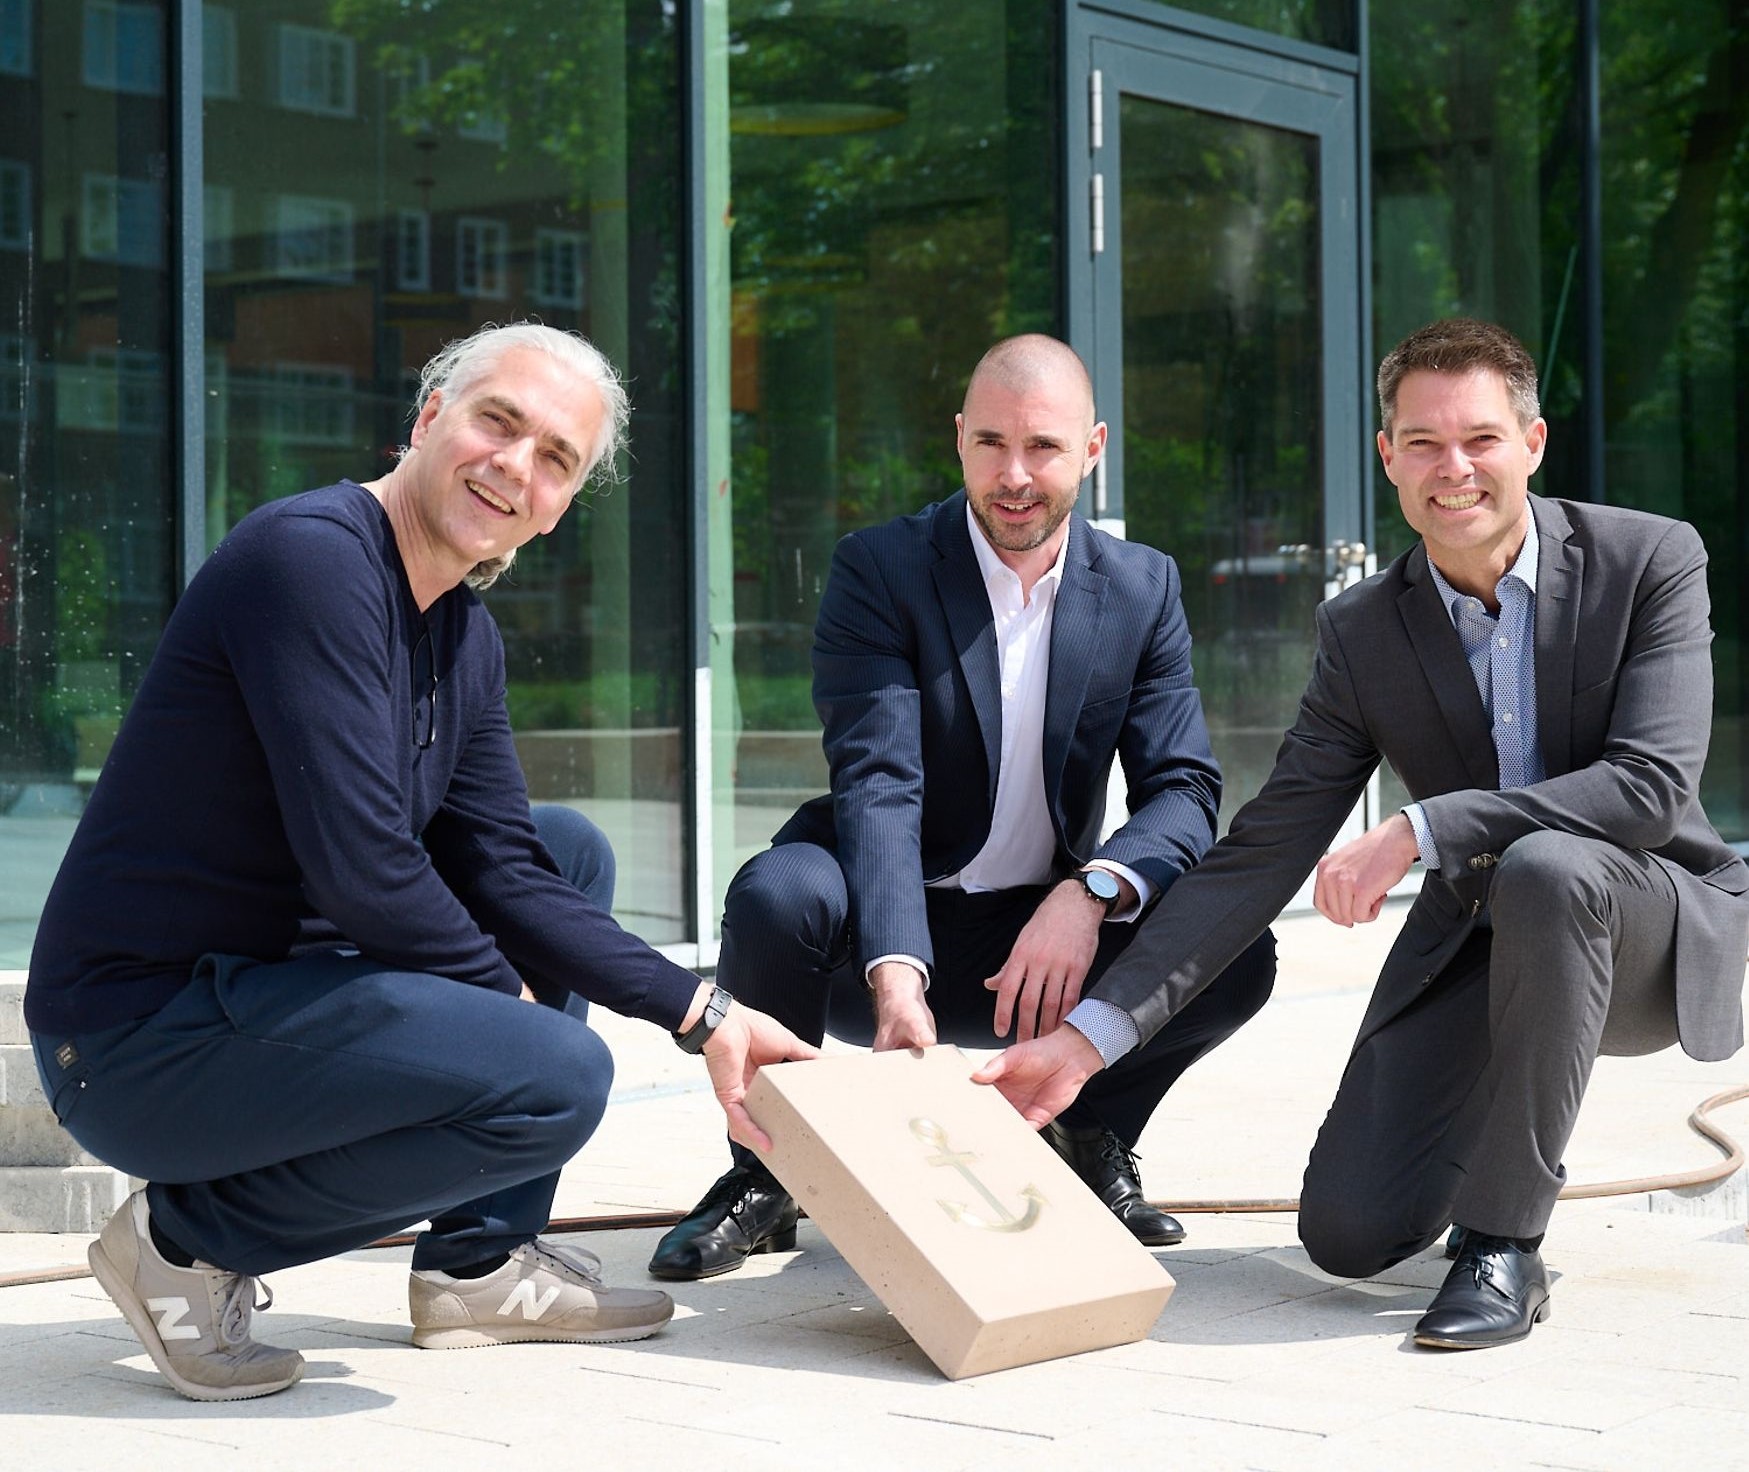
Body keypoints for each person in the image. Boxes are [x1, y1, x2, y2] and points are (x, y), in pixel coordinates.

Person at [25, 322, 816, 1402]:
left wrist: (704, 1012)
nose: (515, 466)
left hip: (263, 998)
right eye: (499, 421)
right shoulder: (309, 559)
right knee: (555, 1079)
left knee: (568, 852)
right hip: (136, 1038)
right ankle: (181, 1240)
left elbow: (508, 866)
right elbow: (363, 870)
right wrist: (515, 1008)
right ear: (429, 416)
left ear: (561, 504)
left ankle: (479, 1265)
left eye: (556, 459)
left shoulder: (461, 633)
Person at [976, 318, 1749, 1349]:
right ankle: (1500, 1099)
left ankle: (1504, 1240)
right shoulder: (1363, 629)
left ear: (1533, 441)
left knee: (1552, 869)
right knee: (1347, 1232)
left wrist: (1423, 826)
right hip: (1481, 938)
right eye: (1421, 442)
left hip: (1646, 926)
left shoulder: (1649, 558)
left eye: (1479, 437)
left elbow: (1648, 786)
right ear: (1387, 455)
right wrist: (1088, 1039)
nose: (1453, 467)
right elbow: (1264, 847)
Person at [648, 334, 1276, 1281]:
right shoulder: (882, 569)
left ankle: (1085, 1131)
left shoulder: (1143, 589)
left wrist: (1092, 891)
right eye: (990, 444)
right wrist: (895, 969)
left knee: (1234, 949)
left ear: (1094, 448)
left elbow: (1183, 791)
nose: (1014, 476)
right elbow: (879, 779)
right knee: (777, 891)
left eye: (1044, 448)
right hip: (874, 926)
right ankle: (763, 1175)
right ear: (957, 440)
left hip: (1037, 947)